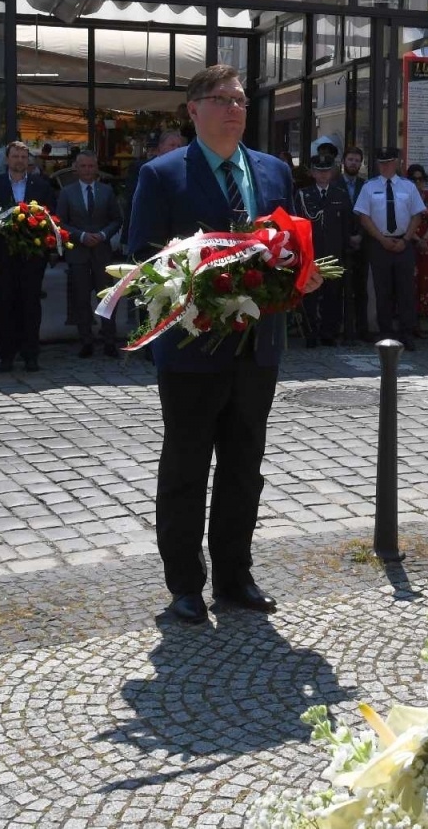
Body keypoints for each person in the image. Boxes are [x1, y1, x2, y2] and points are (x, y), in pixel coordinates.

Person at [126, 64, 315, 623]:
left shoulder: (275, 170)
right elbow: (144, 257)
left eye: (240, 99)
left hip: (259, 346)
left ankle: (235, 575)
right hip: (191, 348)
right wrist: (204, 285)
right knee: (186, 466)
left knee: (243, 465)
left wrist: (305, 272)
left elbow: (295, 240)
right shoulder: (163, 175)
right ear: (193, 110)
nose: (234, 109)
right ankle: (184, 583)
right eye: (220, 99)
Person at [0, 141, 56, 372]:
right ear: (7, 159)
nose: (20, 161)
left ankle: (30, 354)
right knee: (5, 303)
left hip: (32, 255)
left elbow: (51, 217)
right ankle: (6, 354)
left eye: (24, 157)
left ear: (28, 160)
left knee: (30, 304)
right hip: (2, 254)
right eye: (15, 156)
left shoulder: (42, 186)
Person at [354, 146, 425, 351]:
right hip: (379, 244)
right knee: (382, 290)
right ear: (377, 165)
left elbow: (417, 215)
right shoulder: (369, 187)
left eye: (389, 162)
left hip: (404, 243)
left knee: (406, 291)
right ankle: (385, 332)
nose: (385, 166)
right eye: (382, 163)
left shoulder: (408, 187)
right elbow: (364, 216)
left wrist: (406, 239)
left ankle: (406, 333)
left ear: (397, 163)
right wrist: (381, 239)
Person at [57, 150, 124, 358]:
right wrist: (81, 236)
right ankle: (86, 341)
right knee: (81, 299)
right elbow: (60, 222)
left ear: (96, 168)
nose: (87, 170)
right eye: (83, 166)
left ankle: (109, 341)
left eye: (91, 166)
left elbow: (117, 219)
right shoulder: (67, 193)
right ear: (76, 169)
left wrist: (103, 235)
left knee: (106, 299)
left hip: (102, 252)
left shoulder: (106, 191)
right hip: (78, 253)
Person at [293, 142, 356, 347]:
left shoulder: (340, 194)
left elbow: (347, 224)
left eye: (326, 171)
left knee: (333, 295)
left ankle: (329, 333)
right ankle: (311, 333)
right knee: (310, 295)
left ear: (332, 172)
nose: (322, 175)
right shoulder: (304, 194)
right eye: (319, 171)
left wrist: (347, 247)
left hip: (334, 252)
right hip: (311, 252)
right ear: (312, 173)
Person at [340, 147, 371, 342]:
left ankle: (362, 329)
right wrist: (347, 237)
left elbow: (369, 213)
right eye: (350, 159)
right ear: (343, 161)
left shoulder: (365, 185)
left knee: (361, 289)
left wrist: (360, 235)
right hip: (341, 242)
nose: (353, 163)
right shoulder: (334, 184)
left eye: (357, 160)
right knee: (342, 289)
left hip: (362, 242)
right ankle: (345, 331)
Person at [407, 163, 428, 327]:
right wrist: (416, 239)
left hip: (426, 245)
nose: (417, 182)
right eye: (413, 179)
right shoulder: (405, 198)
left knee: (425, 281)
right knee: (409, 283)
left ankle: (421, 320)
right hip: (410, 243)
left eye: (420, 179)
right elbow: (404, 223)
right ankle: (410, 322)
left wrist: (424, 240)